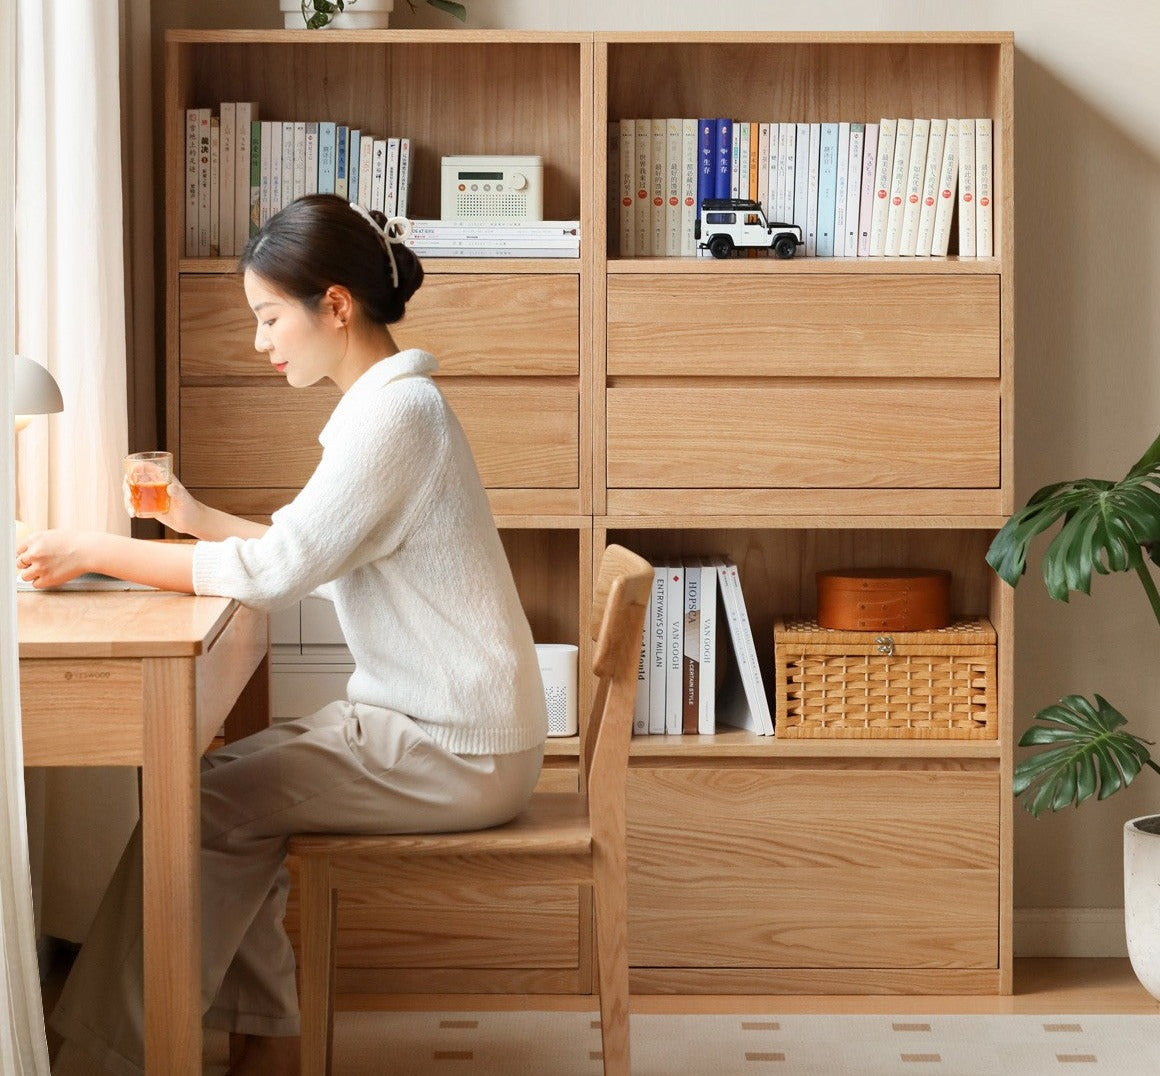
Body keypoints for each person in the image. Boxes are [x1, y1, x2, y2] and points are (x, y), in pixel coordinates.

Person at [16, 193, 549, 1076]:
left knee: (207, 804)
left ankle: (104, 1059)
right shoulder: (392, 409)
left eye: (270, 317)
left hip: (456, 749)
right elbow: (308, 550)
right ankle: (265, 1037)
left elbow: (278, 571)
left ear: (334, 307)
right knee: (216, 785)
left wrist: (95, 550)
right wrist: (193, 520)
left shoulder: (395, 418)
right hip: (435, 730)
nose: (261, 341)